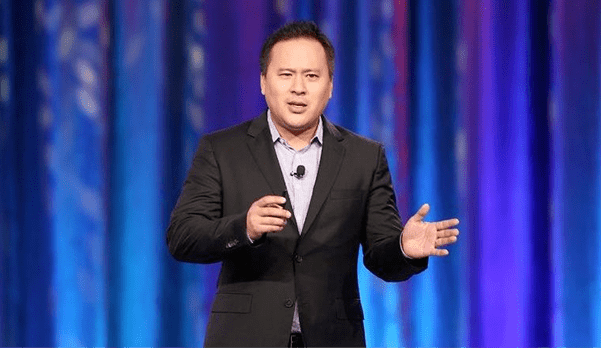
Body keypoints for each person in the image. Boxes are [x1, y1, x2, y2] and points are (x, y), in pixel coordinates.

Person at [166, 21, 459, 347]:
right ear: (263, 82)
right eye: (286, 74)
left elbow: (381, 256)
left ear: (330, 85)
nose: (298, 88)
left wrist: (403, 248)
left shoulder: (365, 157)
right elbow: (183, 237)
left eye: (312, 76)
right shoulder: (223, 150)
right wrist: (244, 227)